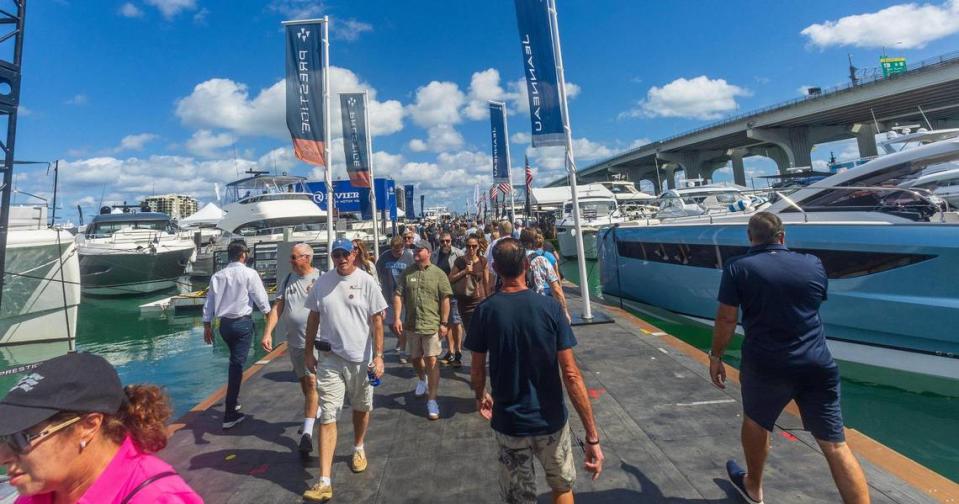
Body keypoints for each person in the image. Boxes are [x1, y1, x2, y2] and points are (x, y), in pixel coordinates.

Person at [710, 212, 869, 504]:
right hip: (816, 363)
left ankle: (754, 487)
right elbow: (813, 302)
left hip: (766, 365)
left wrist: (716, 355)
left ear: (750, 237)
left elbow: (726, 319)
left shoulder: (737, 268)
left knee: (757, 422)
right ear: (782, 237)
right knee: (834, 444)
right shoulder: (812, 263)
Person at [465, 238, 603, 504]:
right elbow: (571, 374)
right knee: (562, 488)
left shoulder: (485, 312)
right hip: (550, 419)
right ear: (526, 265)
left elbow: (477, 369)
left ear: (494, 268)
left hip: (510, 423)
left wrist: (481, 395)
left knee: (519, 498)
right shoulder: (550, 309)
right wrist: (592, 436)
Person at [0, 352, 202, 503]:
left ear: (89, 426)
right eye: (3, 438)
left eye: (22, 437)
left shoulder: (155, 498)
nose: (2, 457)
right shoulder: (38, 493)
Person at [302, 238, 388, 503]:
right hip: (330, 359)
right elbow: (313, 316)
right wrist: (308, 351)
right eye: (336, 254)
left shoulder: (367, 281)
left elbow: (376, 321)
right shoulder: (323, 283)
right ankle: (324, 480)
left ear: (354, 254)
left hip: (361, 360)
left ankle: (358, 446)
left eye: (345, 254)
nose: (341, 258)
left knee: (361, 408)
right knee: (328, 414)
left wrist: (379, 356)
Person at [202, 240, 270, 429]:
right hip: (242, 323)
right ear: (243, 255)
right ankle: (230, 412)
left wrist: (206, 325)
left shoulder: (218, 275)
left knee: (234, 360)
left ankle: (234, 400)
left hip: (224, 325)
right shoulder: (250, 273)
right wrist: (268, 316)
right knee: (237, 365)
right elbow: (261, 298)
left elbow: (209, 302)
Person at [261, 243, 321, 454]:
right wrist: (268, 332)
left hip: (314, 342)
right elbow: (278, 306)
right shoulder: (288, 279)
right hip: (295, 342)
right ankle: (314, 410)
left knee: (312, 382)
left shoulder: (321, 278)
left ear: (307, 258)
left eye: (295, 257)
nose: (291, 261)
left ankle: (307, 432)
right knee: (305, 384)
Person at [392, 240, 453, 420]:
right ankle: (421, 379)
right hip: (412, 325)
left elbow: (445, 299)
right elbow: (398, 295)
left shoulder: (439, 274)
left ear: (428, 252)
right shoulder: (407, 272)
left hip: (431, 324)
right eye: (415, 249)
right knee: (415, 358)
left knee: (432, 360)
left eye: (419, 250)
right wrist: (397, 317)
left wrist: (444, 322)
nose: (415, 252)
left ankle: (432, 400)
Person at [375, 236, 414, 364]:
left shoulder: (409, 256)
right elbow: (377, 273)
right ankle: (402, 340)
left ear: (403, 248)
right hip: (388, 295)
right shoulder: (384, 257)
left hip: (404, 296)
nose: (397, 253)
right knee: (391, 324)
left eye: (399, 251)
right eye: (394, 251)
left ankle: (403, 352)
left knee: (400, 325)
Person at [449, 234, 490, 355]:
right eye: (468, 246)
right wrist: (464, 272)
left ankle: (478, 356)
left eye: (474, 246)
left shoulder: (483, 261)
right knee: (470, 332)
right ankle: (475, 358)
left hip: (480, 300)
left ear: (478, 246)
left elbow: (486, 282)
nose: (471, 249)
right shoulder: (460, 261)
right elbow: (450, 278)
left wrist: (488, 299)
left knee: (480, 332)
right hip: (465, 302)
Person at [520, 229, 571, 322]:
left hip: (520, 305)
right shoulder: (541, 260)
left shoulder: (514, 258)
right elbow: (556, 289)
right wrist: (565, 311)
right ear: (533, 241)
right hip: (539, 305)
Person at [431, 232, 464, 366]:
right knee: (446, 322)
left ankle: (458, 351)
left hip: (454, 292)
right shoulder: (434, 255)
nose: (445, 244)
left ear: (452, 241)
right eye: (443, 241)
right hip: (440, 293)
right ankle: (450, 351)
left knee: (456, 322)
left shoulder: (458, 254)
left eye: (448, 241)